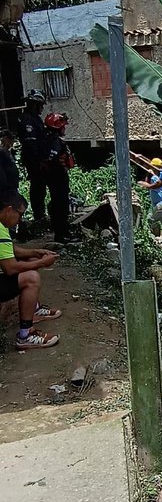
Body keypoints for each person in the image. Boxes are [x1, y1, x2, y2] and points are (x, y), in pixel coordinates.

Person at [0, 191, 61, 349]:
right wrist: (42, 263)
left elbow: (11, 250)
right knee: (31, 277)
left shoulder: (2, 225)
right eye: (19, 215)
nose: (20, 220)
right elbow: (10, 268)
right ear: (8, 210)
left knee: (32, 261)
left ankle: (34, 308)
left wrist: (36, 253)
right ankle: (25, 335)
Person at [16, 89, 49, 227]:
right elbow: (31, 144)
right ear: (34, 105)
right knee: (37, 187)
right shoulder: (27, 120)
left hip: (38, 158)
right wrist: (39, 161)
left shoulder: (35, 119)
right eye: (40, 105)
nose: (42, 108)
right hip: (33, 160)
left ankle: (40, 213)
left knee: (40, 188)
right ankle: (38, 215)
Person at [43, 112, 75, 244]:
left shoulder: (48, 139)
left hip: (54, 177)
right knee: (60, 207)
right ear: (57, 127)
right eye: (63, 126)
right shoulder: (55, 141)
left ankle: (62, 233)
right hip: (58, 178)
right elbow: (53, 158)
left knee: (59, 206)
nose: (64, 129)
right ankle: (62, 235)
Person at [138, 157, 162, 233]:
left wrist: (148, 174)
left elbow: (148, 185)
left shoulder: (154, 178)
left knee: (150, 220)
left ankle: (155, 237)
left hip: (161, 204)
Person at [0, 130, 19, 198]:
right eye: (10, 139)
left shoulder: (9, 152)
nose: (12, 141)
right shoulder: (1, 152)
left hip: (13, 185)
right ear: (5, 139)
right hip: (7, 188)